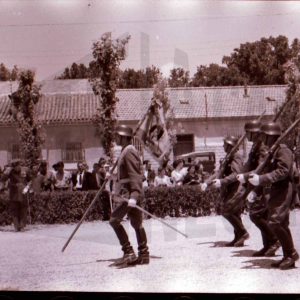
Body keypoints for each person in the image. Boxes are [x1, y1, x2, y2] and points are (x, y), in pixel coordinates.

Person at [246, 122, 299, 270]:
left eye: (264, 136)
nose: (262, 139)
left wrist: (261, 180)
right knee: (280, 223)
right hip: (276, 190)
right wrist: (255, 190)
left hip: (284, 189)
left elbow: (283, 171)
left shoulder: (283, 151)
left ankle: (292, 254)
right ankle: (287, 256)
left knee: (275, 222)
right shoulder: (273, 151)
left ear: (271, 136)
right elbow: (264, 172)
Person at [236, 120, 280, 257]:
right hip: (258, 184)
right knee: (261, 215)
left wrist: (254, 187)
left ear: (254, 133)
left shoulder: (262, 147)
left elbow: (262, 168)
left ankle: (274, 240)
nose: (246, 135)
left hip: (263, 185)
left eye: (248, 132)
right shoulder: (256, 145)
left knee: (257, 214)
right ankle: (267, 245)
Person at [109, 124, 149, 266]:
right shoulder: (125, 151)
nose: (116, 138)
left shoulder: (129, 151)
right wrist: (113, 177)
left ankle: (129, 252)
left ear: (123, 137)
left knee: (114, 220)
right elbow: (125, 175)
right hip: (129, 193)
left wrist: (134, 195)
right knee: (137, 223)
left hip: (129, 195)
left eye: (118, 136)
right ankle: (143, 254)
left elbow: (135, 176)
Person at [211, 136, 249, 247]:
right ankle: (238, 238)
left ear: (230, 145)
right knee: (235, 213)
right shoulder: (230, 156)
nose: (223, 146)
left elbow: (235, 174)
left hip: (237, 188)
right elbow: (221, 171)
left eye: (225, 144)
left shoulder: (236, 156)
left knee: (226, 210)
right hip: (231, 189)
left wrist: (222, 181)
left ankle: (243, 232)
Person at [1, 159, 31, 231]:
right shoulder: (10, 171)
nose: (15, 168)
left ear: (19, 165)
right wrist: (6, 173)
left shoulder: (25, 170)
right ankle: (16, 227)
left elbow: (30, 180)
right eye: (13, 166)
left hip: (23, 192)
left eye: (16, 165)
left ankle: (22, 226)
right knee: (14, 210)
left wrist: (27, 188)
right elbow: (2, 179)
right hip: (14, 193)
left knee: (23, 209)